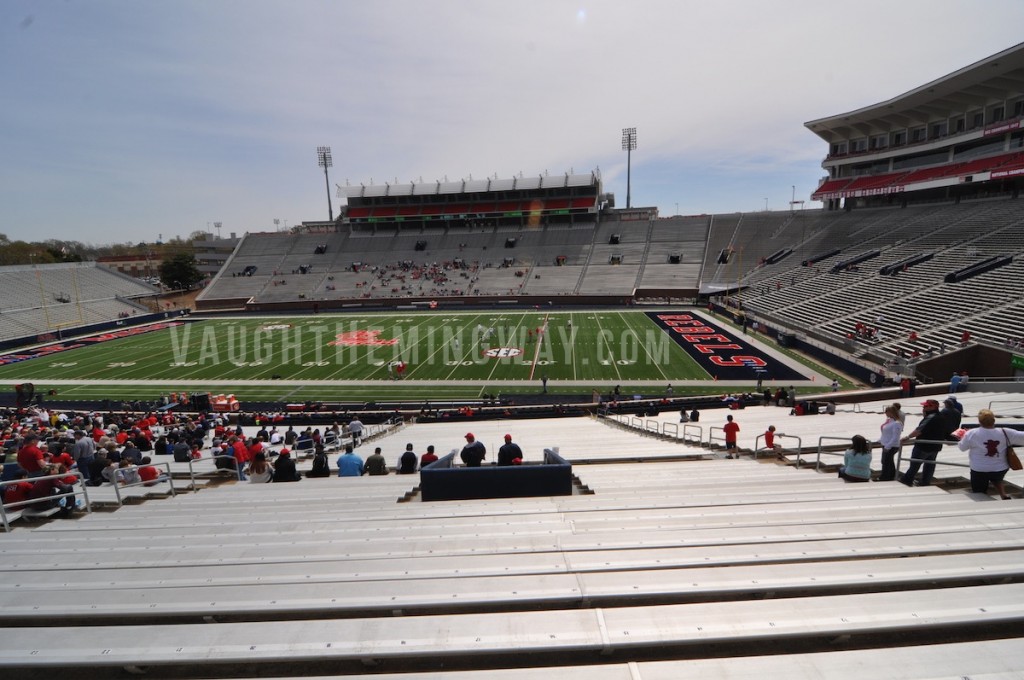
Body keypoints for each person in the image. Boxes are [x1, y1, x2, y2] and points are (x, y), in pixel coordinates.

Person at [957, 409, 1024, 499]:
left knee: (979, 491)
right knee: (996, 478)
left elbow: (962, 448)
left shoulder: (971, 433)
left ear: (979, 421)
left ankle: (985, 502)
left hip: (979, 469)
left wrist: (962, 437)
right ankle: (1003, 494)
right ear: (994, 420)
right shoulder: (1005, 432)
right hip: (1000, 468)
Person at [899, 399, 948, 487]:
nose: (923, 408)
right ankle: (925, 482)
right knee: (929, 465)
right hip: (936, 446)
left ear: (933, 407)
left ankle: (907, 480)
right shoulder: (941, 416)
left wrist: (907, 437)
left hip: (924, 446)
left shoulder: (931, 417)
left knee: (915, 464)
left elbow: (919, 430)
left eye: (926, 406)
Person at [878, 405, 904, 481]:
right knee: (888, 461)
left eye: (887, 411)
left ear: (891, 412)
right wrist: (880, 440)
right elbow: (885, 432)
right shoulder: (889, 421)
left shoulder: (897, 423)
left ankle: (885, 477)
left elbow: (896, 436)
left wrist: (888, 446)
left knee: (885, 461)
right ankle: (891, 475)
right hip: (885, 444)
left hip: (891, 446)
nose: (885, 413)